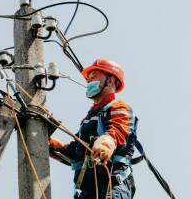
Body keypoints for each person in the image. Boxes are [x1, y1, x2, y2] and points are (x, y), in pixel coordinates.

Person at [49, 58, 138, 199]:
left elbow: (116, 131)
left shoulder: (118, 108)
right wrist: (45, 143)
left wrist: (105, 144)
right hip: (88, 192)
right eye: (88, 79)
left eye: (94, 77)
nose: (89, 81)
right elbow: (74, 152)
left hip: (112, 186)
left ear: (111, 81)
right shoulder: (89, 119)